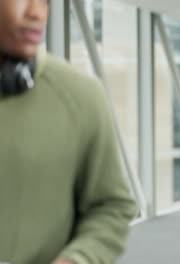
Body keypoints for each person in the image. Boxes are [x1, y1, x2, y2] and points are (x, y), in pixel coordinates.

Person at [0, 0, 137, 263]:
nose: (37, 12)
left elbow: (112, 206)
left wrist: (76, 259)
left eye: (44, 2)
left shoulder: (81, 96)